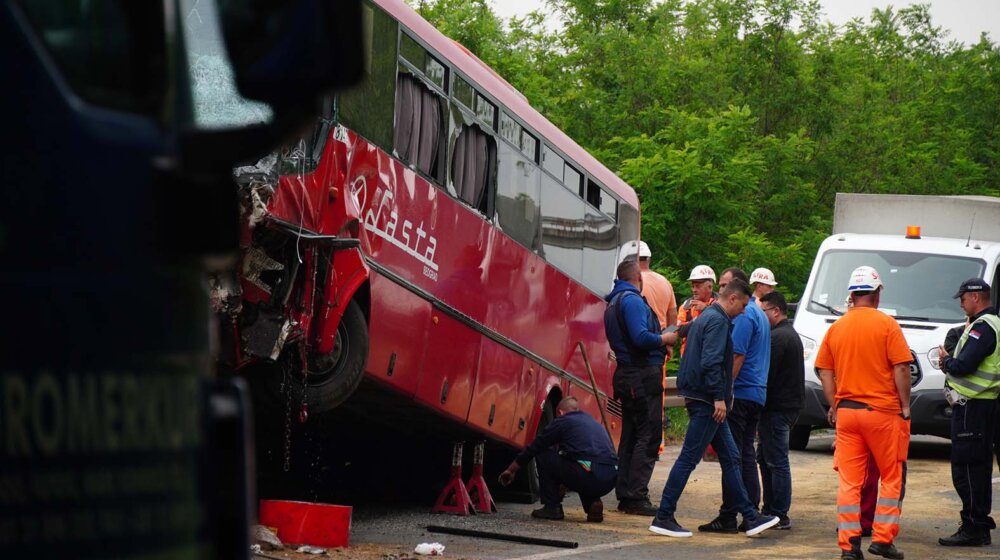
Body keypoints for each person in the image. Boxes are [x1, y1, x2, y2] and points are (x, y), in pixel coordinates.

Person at [648, 278, 780, 538]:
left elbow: (696, 348)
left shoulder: (707, 316)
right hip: (707, 401)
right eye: (742, 305)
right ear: (732, 299)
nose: (743, 311)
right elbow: (711, 362)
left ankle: (750, 517)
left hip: (701, 397)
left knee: (732, 458)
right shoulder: (718, 321)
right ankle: (663, 516)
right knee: (688, 458)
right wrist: (719, 397)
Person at [816, 266, 911, 560]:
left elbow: (825, 373)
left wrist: (834, 405)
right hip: (882, 413)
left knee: (850, 481)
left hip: (847, 414)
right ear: (877, 294)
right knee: (891, 475)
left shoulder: (836, 328)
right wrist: (905, 406)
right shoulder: (887, 325)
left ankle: (849, 545)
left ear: (852, 295)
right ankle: (882, 539)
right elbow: (902, 367)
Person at [699, 268, 770, 533]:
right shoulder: (759, 313)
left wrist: (724, 392)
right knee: (746, 456)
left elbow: (736, 357)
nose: (722, 292)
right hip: (756, 391)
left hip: (740, 392)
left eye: (726, 285)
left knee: (733, 457)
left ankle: (732, 515)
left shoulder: (744, 315)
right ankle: (749, 511)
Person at [604, 260, 677, 515]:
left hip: (627, 374)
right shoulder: (632, 300)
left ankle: (625, 492)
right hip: (640, 375)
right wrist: (664, 338)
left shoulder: (613, 301)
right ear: (639, 279)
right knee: (647, 435)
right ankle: (635, 496)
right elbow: (640, 337)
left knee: (632, 434)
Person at [936, 278, 999, 547]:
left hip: (973, 407)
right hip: (981, 406)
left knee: (968, 468)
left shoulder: (983, 327)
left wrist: (945, 360)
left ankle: (973, 526)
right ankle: (978, 524)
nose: (961, 304)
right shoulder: (989, 324)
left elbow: (963, 365)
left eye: (962, 299)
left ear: (976, 297)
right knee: (978, 467)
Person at [499, 397, 619, 522]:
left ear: (560, 413)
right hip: (610, 480)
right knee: (583, 464)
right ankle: (593, 503)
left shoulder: (563, 421)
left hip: (587, 475)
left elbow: (535, 447)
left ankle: (552, 507)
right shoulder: (593, 422)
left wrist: (511, 470)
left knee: (544, 454)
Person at [620, 240, 679, 455]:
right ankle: (656, 445)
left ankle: (637, 448)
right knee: (656, 400)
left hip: (635, 350)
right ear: (649, 259)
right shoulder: (664, 282)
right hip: (659, 345)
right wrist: (669, 342)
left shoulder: (633, 280)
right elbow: (673, 316)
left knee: (635, 405)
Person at [754, 291, 802, 530]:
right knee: (766, 457)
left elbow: (767, 375)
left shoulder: (778, 338)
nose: (760, 317)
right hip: (785, 406)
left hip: (777, 408)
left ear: (775, 311)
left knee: (776, 461)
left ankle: (779, 513)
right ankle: (771, 508)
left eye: (763, 312)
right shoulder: (787, 334)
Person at [677, 264, 718, 355]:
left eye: (698, 286)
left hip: (710, 355)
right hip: (688, 356)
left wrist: (705, 310)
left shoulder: (720, 304)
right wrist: (698, 319)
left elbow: (721, 325)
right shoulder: (686, 306)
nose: (694, 290)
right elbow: (680, 330)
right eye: (693, 286)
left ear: (709, 287)